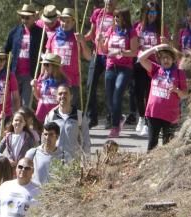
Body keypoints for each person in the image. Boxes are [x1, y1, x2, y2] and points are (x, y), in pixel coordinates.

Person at [139, 44, 189, 151]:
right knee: (152, 144)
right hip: (153, 113)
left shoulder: (179, 73)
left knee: (167, 146)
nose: (166, 60)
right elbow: (141, 59)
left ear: (173, 59)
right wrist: (154, 49)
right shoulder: (156, 69)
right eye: (163, 57)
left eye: (168, 57)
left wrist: (176, 90)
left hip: (170, 115)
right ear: (160, 59)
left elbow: (185, 94)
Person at [132, 2, 171, 137]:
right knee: (138, 93)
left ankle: (148, 123)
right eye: (149, 12)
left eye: (154, 13)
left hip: (154, 65)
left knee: (149, 94)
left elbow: (168, 46)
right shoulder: (138, 26)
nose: (152, 16)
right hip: (139, 63)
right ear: (145, 13)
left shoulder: (161, 28)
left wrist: (165, 41)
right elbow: (133, 43)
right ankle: (141, 117)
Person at [101, 8, 140, 138]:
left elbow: (134, 52)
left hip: (125, 68)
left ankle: (115, 127)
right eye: (115, 17)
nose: (116, 19)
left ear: (125, 18)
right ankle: (120, 117)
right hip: (111, 66)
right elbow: (105, 49)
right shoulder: (111, 30)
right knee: (109, 98)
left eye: (119, 17)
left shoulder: (131, 32)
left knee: (117, 94)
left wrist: (120, 52)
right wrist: (100, 41)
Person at [84, 0, 118, 128]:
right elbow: (92, 33)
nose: (109, 1)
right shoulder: (98, 13)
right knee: (90, 85)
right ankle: (91, 117)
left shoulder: (118, 15)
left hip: (111, 55)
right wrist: (81, 38)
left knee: (110, 87)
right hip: (97, 53)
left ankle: (111, 117)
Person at [47, 7, 91, 102]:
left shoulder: (77, 38)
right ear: (59, 20)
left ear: (73, 22)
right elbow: (46, 59)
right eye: (63, 21)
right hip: (55, 80)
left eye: (68, 21)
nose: (65, 24)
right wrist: (42, 77)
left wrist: (82, 42)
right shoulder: (53, 37)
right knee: (55, 111)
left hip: (72, 81)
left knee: (72, 111)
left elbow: (89, 57)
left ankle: (79, 117)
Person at [4, 4, 43, 109]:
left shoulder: (40, 33)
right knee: (13, 104)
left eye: (27, 17)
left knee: (26, 105)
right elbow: (6, 50)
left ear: (34, 17)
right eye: (22, 17)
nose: (24, 20)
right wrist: (4, 71)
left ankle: (26, 124)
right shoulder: (14, 31)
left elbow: (45, 52)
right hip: (14, 73)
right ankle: (13, 124)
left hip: (31, 74)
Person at [44, 86, 91, 163]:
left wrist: (87, 162)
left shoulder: (80, 115)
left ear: (71, 97)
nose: (63, 96)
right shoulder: (50, 116)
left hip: (74, 162)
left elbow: (86, 141)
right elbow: (44, 140)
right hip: (55, 162)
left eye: (65, 93)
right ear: (56, 97)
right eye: (60, 94)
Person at [25, 122, 65, 186]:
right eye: (45, 134)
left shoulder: (64, 156)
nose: (47, 138)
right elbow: (24, 173)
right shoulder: (32, 153)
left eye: (51, 134)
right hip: (34, 192)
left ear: (57, 137)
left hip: (54, 194)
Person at [32, 53, 67, 123]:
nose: (44, 67)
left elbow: (65, 100)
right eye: (44, 64)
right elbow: (38, 97)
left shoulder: (63, 81)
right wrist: (34, 87)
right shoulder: (42, 78)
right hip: (41, 110)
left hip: (55, 113)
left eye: (47, 65)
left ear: (55, 66)